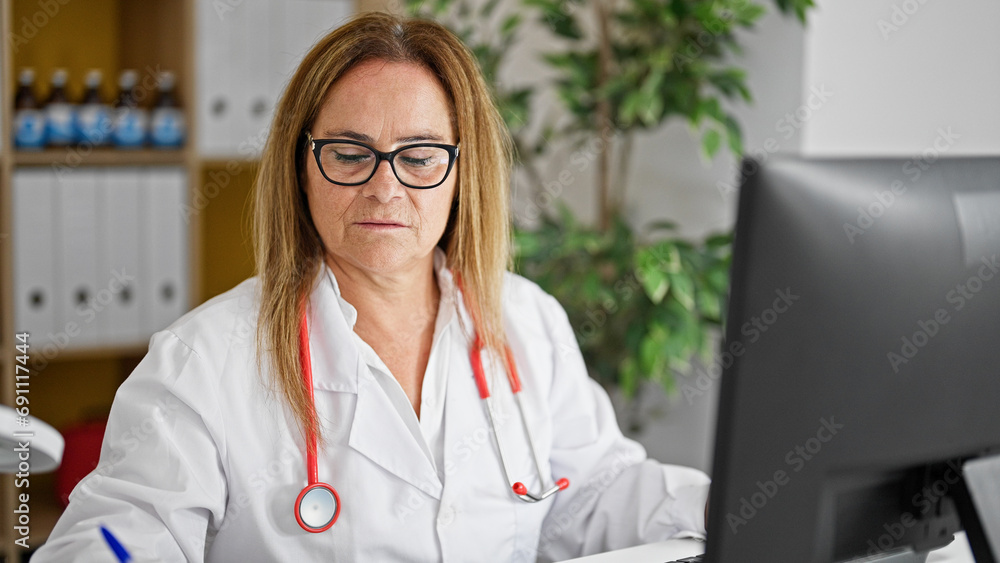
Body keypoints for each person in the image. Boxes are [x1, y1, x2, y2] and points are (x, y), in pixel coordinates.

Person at [32, 12, 710, 562]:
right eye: (350, 154)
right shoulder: (202, 360)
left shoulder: (526, 320)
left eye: (418, 156)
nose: (384, 187)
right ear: (303, 168)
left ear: (459, 172)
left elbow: (595, 493)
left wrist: (744, 503)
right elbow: (121, 532)